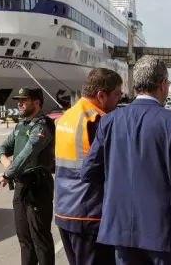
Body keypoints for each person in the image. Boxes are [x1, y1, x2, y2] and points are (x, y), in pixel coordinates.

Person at [80, 55, 171, 265]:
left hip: (122, 230)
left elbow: (87, 172)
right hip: (167, 232)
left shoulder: (109, 122)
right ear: (162, 85)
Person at [54, 68, 123, 265]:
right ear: (101, 95)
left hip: (64, 209)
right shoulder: (98, 121)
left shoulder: (66, 117)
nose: (120, 99)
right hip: (89, 212)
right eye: (117, 94)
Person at [0, 87, 56, 265]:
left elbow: (29, 152)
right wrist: (6, 162)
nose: (19, 103)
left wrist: (8, 173)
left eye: (24, 100)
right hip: (21, 186)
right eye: (18, 100)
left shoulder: (43, 125)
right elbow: (1, 149)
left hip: (38, 187)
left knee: (40, 239)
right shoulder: (21, 126)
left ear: (36, 103)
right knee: (25, 240)